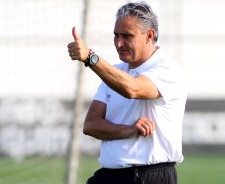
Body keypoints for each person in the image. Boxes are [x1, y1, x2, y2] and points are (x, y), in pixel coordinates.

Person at [67, 1, 187, 184]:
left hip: (149, 176)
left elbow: (132, 89)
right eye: (116, 35)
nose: (119, 43)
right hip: (108, 175)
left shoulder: (168, 69)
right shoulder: (114, 72)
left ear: (149, 35)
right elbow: (90, 125)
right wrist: (128, 130)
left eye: (127, 36)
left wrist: (91, 58)